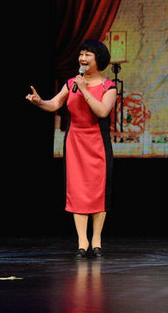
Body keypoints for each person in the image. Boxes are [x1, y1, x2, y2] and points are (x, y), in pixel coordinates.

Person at [26, 40, 117, 259]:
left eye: (88, 55)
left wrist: (85, 90)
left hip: (97, 143)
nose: (83, 59)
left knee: (98, 191)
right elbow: (54, 104)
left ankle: (96, 240)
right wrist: (39, 102)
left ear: (99, 60)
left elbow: (102, 111)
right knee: (77, 190)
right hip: (75, 141)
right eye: (81, 54)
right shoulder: (71, 83)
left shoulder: (108, 86)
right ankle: (81, 241)